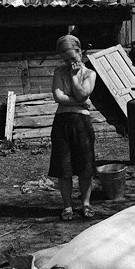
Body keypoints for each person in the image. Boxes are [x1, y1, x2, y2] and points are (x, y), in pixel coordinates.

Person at [49, 34, 98, 221]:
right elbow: (58, 97)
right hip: (62, 124)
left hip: (82, 125)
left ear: (80, 52)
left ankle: (86, 204)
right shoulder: (58, 72)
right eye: (65, 59)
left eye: (73, 58)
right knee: (64, 168)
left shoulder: (89, 74)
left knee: (85, 166)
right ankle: (67, 206)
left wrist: (74, 77)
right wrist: (79, 103)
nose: (70, 62)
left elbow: (84, 94)